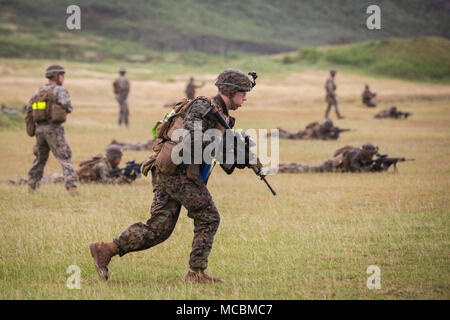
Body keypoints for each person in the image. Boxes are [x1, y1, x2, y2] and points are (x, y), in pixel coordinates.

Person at [89, 69, 256, 284]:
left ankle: (105, 250)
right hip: (176, 173)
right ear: (231, 91)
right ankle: (196, 274)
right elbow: (191, 139)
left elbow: (219, 157)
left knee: (159, 229)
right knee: (208, 215)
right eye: (242, 94)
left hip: (174, 172)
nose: (244, 99)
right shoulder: (203, 107)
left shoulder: (223, 116)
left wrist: (242, 158)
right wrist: (223, 144)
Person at [25, 64, 78, 196]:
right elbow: (68, 107)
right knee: (65, 157)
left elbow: (29, 110)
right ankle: (72, 188)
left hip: (40, 129)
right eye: (62, 75)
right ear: (56, 76)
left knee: (39, 159)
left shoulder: (38, 92)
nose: (63, 78)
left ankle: (31, 187)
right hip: (54, 129)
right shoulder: (59, 90)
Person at [11, 145, 133, 185]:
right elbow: (105, 182)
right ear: (114, 157)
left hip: (72, 176)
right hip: (69, 178)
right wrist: (122, 180)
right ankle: (20, 181)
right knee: (44, 180)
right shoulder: (103, 166)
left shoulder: (109, 165)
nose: (121, 159)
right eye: (119, 157)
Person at [276, 143, 379, 173]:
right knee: (305, 169)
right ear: (366, 153)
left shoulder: (357, 153)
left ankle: (285, 165)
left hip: (330, 164)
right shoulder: (354, 155)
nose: (372, 156)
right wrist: (372, 168)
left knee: (307, 167)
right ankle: (281, 168)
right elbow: (356, 170)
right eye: (371, 154)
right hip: (328, 167)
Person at [273, 119, 349, 140]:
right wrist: (331, 135)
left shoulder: (322, 127)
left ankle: (280, 131)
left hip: (305, 132)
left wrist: (335, 134)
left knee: (291, 134)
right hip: (304, 134)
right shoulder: (319, 128)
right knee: (290, 136)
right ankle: (275, 133)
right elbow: (321, 138)